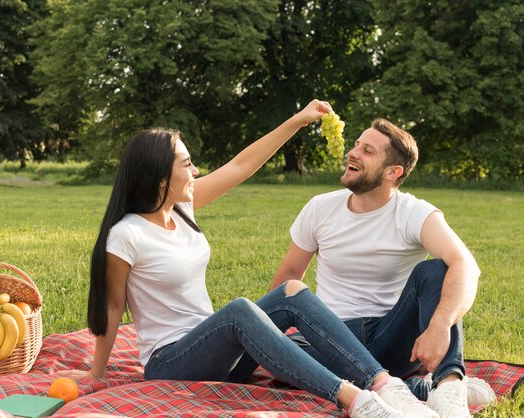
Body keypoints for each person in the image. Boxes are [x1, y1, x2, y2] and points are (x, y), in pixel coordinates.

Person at [61, 101, 439, 418]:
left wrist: (297, 120)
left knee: (292, 291)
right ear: (161, 177)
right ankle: (355, 401)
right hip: (170, 363)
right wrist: (97, 373)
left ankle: (384, 384)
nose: (195, 171)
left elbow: (241, 166)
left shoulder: (182, 208)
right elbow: (111, 307)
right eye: (187, 164)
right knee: (242, 310)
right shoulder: (127, 234)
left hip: (217, 355)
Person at [258, 118, 489, 417]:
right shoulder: (320, 208)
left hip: (391, 336)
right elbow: (287, 277)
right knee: (281, 355)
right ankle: (417, 390)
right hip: (330, 335)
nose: (353, 153)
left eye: (367, 151)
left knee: (436, 271)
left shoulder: (413, 212)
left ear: (393, 172)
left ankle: (449, 386)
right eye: (356, 145)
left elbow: (466, 266)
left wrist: (439, 326)